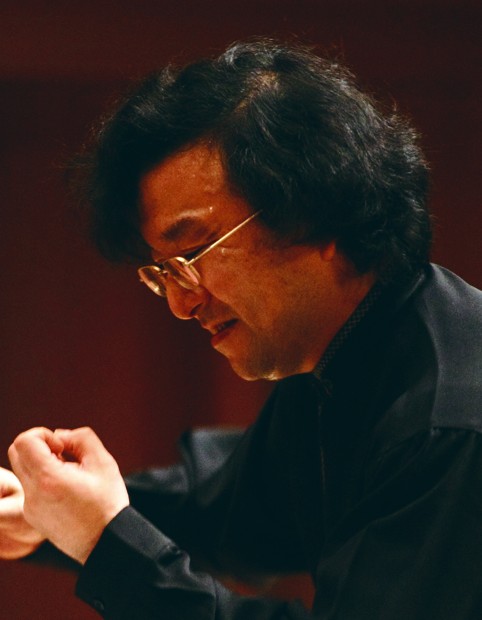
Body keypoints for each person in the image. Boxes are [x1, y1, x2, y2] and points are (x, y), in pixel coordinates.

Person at [1, 38, 482, 619]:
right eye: (163, 273)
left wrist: (106, 540)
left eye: (193, 255)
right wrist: (44, 512)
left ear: (314, 211)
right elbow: (227, 514)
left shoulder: (448, 424)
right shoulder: (346, 353)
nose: (180, 304)